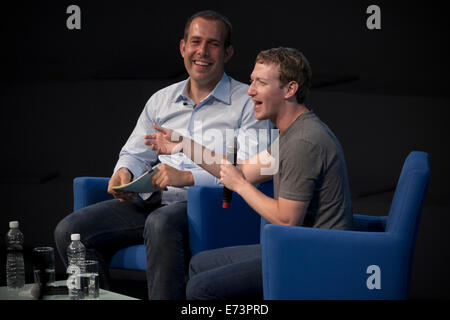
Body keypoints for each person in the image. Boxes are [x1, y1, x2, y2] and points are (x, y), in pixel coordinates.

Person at [54, 10, 270, 300]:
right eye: (195, 42)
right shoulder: (161, 100)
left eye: (213, 44)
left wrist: (187, 177)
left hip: (214, 208)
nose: (202, 52)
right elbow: (134, 151)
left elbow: (250, 171)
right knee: (71, 229)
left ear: (228, 52)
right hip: (154, 200)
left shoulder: (248, 103)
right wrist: (125, 171)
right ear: (183, 47)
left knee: (161, 223)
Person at [146, 47, 353, 299]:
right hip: (291, 247)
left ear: (290, 89)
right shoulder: (290, 135)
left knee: (203, 289)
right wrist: (184, 144)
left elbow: (287, 221)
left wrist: (241, 186)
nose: (250, 90)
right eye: (252, 80)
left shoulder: (304, 142)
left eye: (261, 83)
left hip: (312, 256)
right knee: (200, 264)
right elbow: (240, 170)